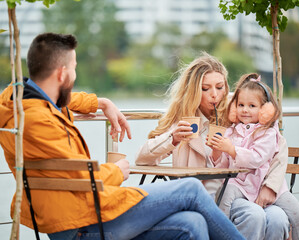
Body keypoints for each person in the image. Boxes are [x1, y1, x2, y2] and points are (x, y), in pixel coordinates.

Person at [0, 33, 245, 240]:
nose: (75, 76)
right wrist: (117, 170)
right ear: (62, 74)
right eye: (74, 69)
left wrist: (100, 102)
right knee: (190, 189)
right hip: (79, 222)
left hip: (80, 211)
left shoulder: (25, 102)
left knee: (192, 223)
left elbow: (61, 98)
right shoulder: (38, 120)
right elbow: (81, 176)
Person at [135, 52, 299, 240]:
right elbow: (142, 158)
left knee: (279, 218)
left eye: (219, 87)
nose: (214, 95)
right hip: (210, 199)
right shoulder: (183, 123)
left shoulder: (238, 111)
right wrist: (172, 139)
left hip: (247, 190)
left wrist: (271, 186)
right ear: (194, 90)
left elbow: (278, 146)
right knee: (254, 216)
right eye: (205, 88)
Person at [210, 73, 299, 240]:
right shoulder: (230, 131)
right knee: (225, 193)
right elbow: (222, 166)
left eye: (252, 105)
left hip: (265, 185)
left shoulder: (268, 133)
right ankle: (219, 232)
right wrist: (218, 152)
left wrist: (232, 150)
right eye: (240, 105)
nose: (245, 110)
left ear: (265, 111)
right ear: (234, 108)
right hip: (240, 183)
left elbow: (257, 158)